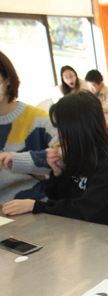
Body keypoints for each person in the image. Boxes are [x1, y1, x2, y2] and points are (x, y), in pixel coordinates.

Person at [2, 91, 108, 230]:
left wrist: (36, 206)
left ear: (77, 128)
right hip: (85, 231)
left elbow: (85, 210)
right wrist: (58, 173)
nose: (57, 133)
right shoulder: (78, 154)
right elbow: (59, 197)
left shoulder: (107, 164)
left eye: (60, 128)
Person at [0, 51, 58, 205]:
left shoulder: (38, 119)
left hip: (36, 205)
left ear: (7, 79)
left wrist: (17, 160)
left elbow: (65, 154)